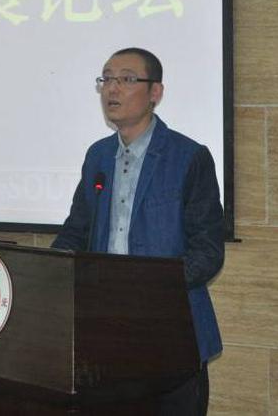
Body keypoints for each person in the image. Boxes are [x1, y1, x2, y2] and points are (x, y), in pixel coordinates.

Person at [52, 47, 224, 415]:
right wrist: (49, 270)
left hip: (172, 334)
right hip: (104, 335)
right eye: (106, 79)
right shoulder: (98, 156)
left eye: (127, 79)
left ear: (155, 92)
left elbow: (208, 252)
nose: (112, 88)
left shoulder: (188, 157)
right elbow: (76, 231)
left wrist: (149, 288)